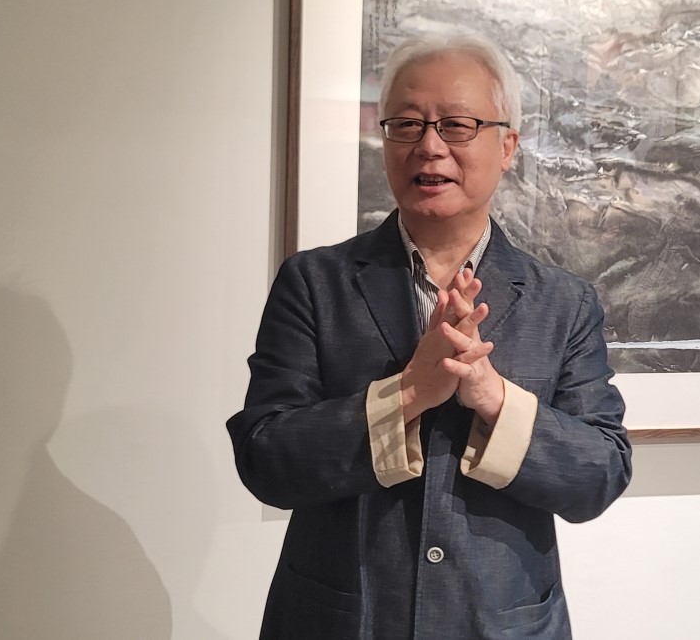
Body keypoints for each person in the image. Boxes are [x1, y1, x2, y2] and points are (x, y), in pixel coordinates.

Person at [227, 32, 632, 640]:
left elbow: (599, 475)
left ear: (507, 146)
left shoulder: (562, 303)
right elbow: (265, 459)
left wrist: (495, 398)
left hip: (502, 624)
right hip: (342, 621)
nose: (430, 146)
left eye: (458, 125)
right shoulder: (315, 283)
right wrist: (410, 392)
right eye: (407, 125)